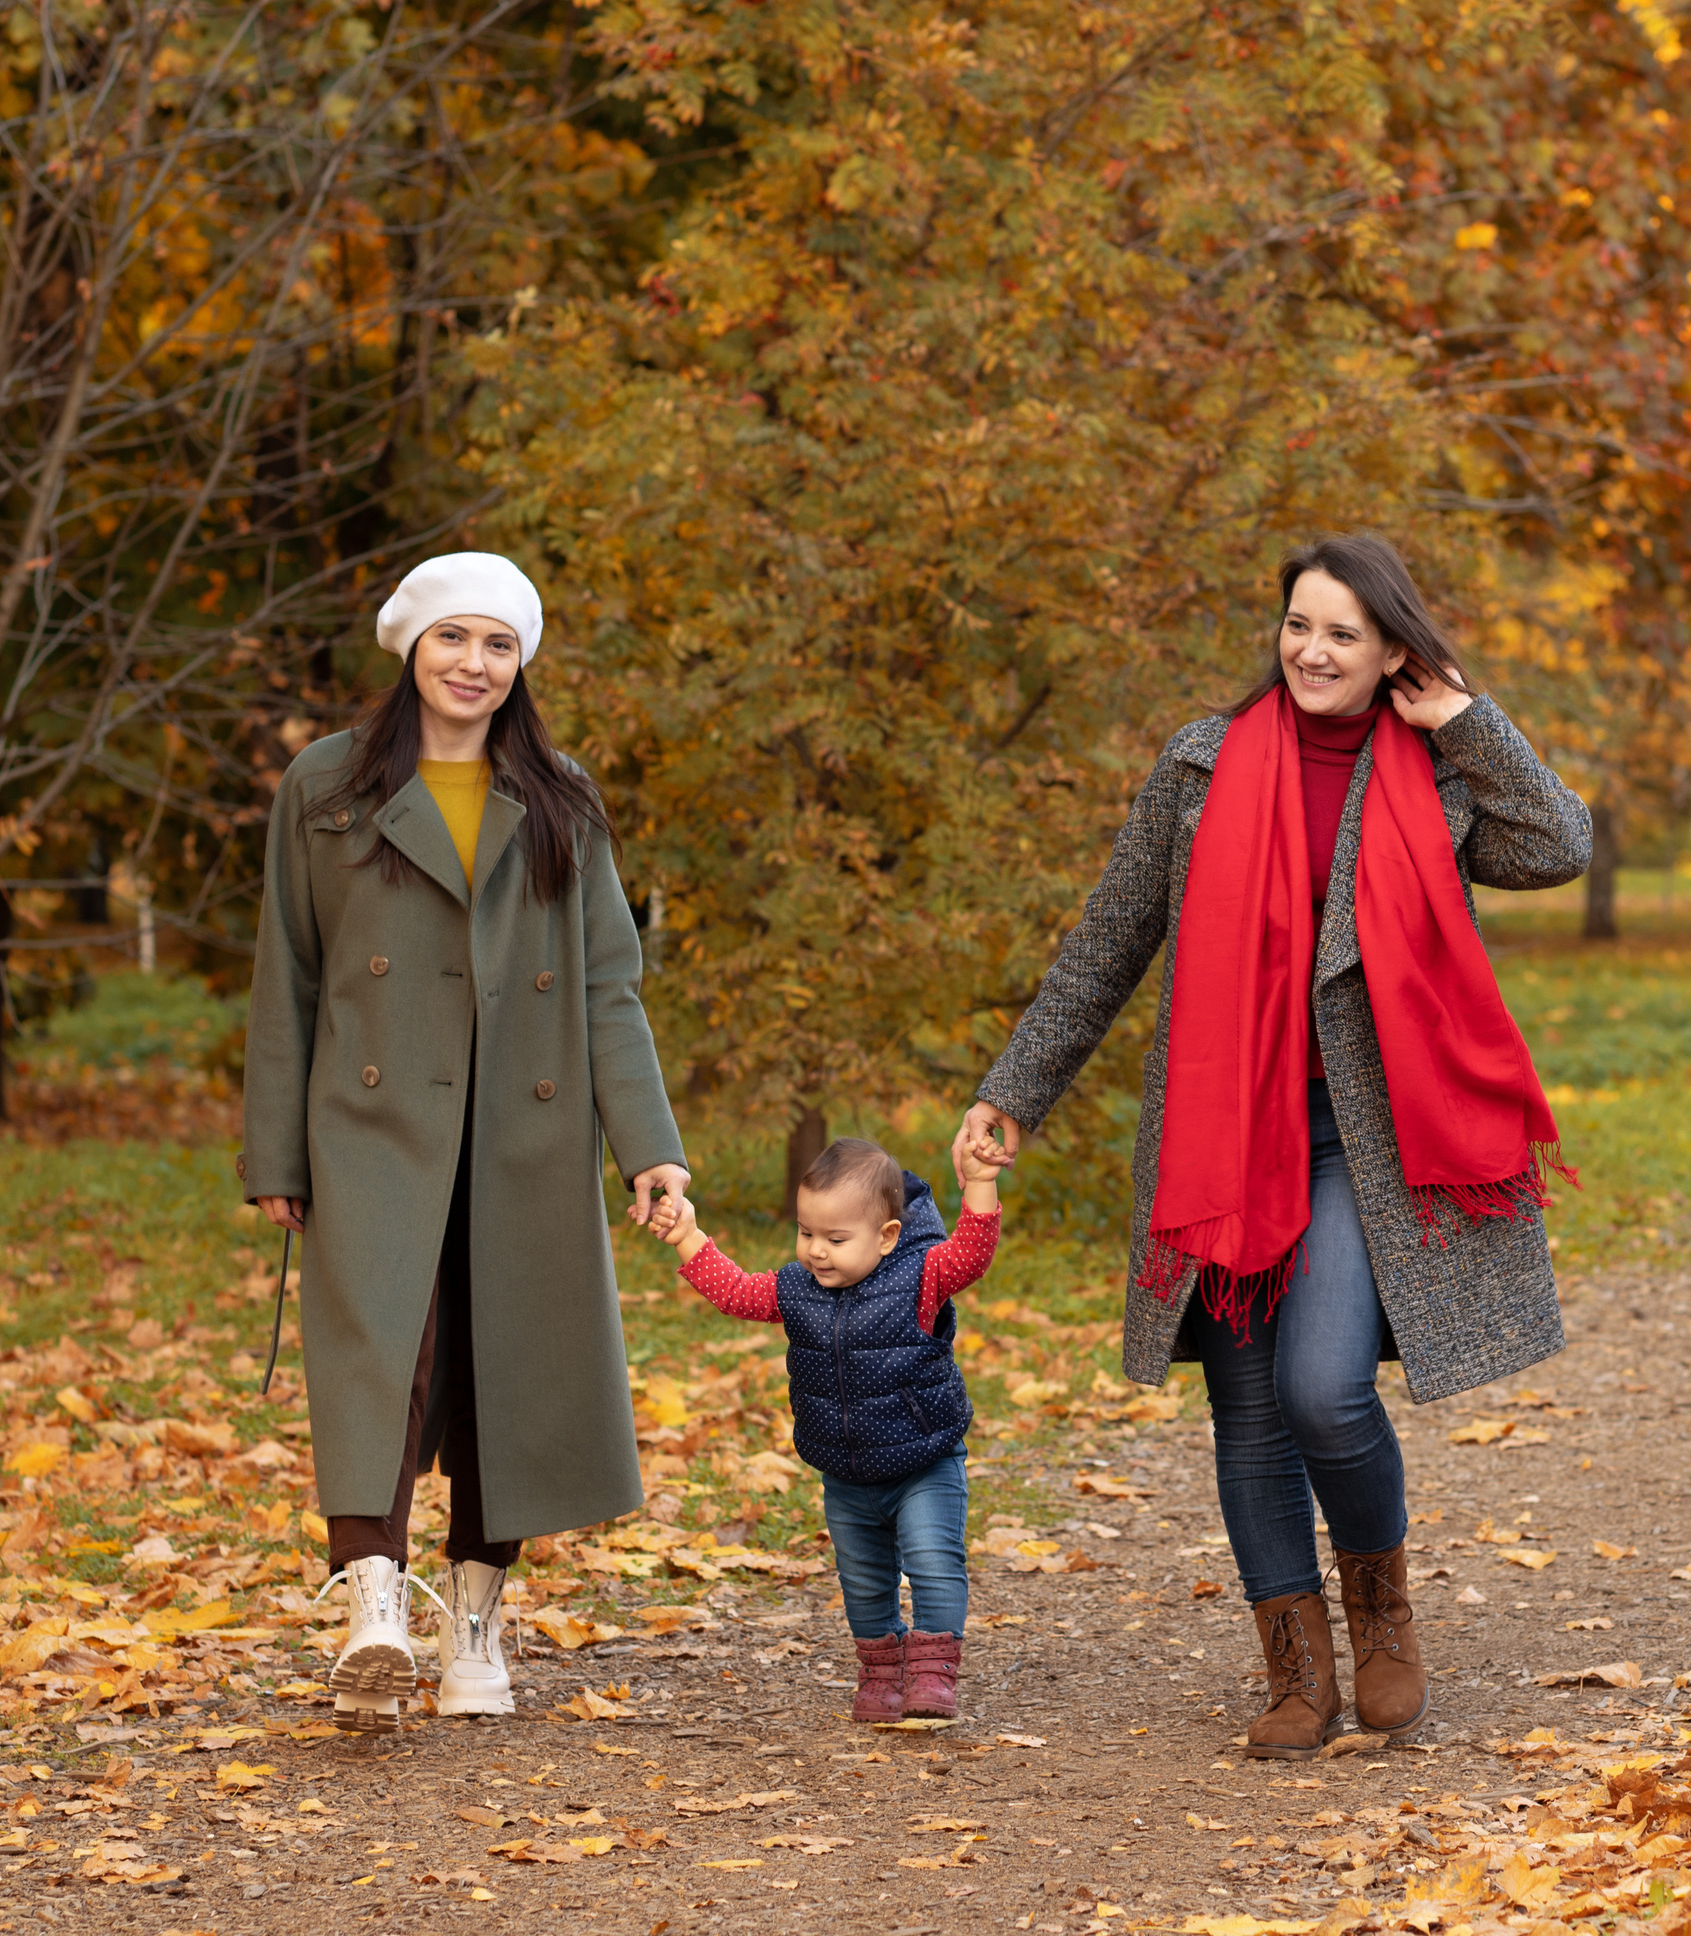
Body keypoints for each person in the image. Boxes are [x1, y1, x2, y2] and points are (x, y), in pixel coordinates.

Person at [957, 534, 1590, 1758]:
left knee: (1323, 1388)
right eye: (1298, 625)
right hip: (1224, 1130)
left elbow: (1556, 844)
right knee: (1247, 1417)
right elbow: (1109, 940)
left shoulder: (1434, 771)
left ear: (1393, 651)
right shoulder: (1200, 767)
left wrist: (1467, 718)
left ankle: (1380, 1611)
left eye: (1343, 634)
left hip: (1366, 1137)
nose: (1310, 650)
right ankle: (1292, 1667)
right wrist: (1014, 1090)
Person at [240, 552, 691, 1733]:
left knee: (507, 1370)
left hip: (522, 1132)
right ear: (411, 646)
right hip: (372, 1126)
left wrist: (649, 1144)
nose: (473, 664)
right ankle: (374, 1604)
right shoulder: (328, 786)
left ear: (520, 662)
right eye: (454, 639)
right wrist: (277, 1156)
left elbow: (607, 986)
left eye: (499, 645)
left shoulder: (558, 795)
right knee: (380, 1359)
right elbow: (285, 977)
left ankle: (476, 1619)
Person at [648, 1136, 1001, 1721]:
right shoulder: (796, 1288)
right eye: (807, 1233)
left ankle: (932, 1673)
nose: (817, 1251)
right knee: (863, 1583)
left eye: (837, 1239)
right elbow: (735, 1292)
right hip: (845, 1472)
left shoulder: (921, 1275)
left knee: (933, 1560)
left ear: (886, 1236)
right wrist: (688, 1234)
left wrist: (981, 1184)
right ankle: (882, 1674)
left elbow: (972, 1254)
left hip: (924, 1462)